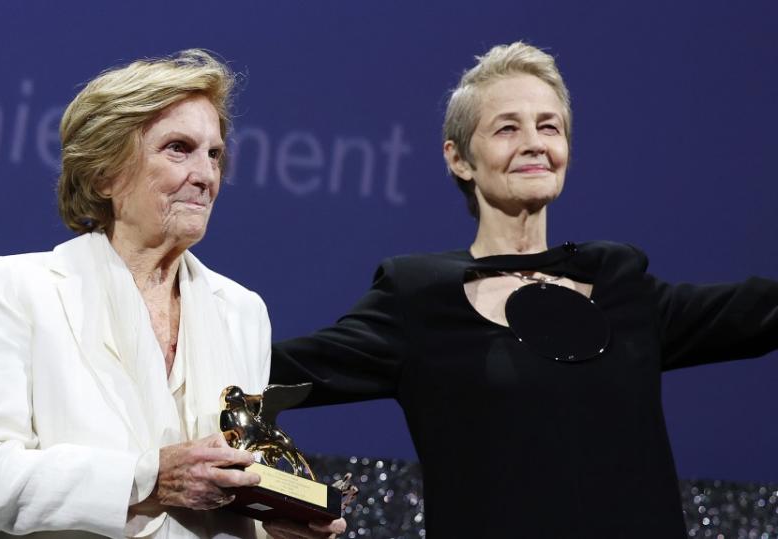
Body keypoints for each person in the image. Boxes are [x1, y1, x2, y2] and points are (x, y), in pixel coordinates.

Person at [269, 42, 778, 538]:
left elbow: (758, 311)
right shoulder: (418, 296)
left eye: (549, 126)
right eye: (507, 128)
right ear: (460, 158)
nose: (534, 142)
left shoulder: (620, 281)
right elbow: (276, 371)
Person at [0, 50, 344, 539]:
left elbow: (223, 498)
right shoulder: (22, 289)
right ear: (105, 173)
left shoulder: (242, 312)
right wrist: (147, 478)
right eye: (179, 148)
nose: (206, 176)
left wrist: (276, 528)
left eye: (214, 154)